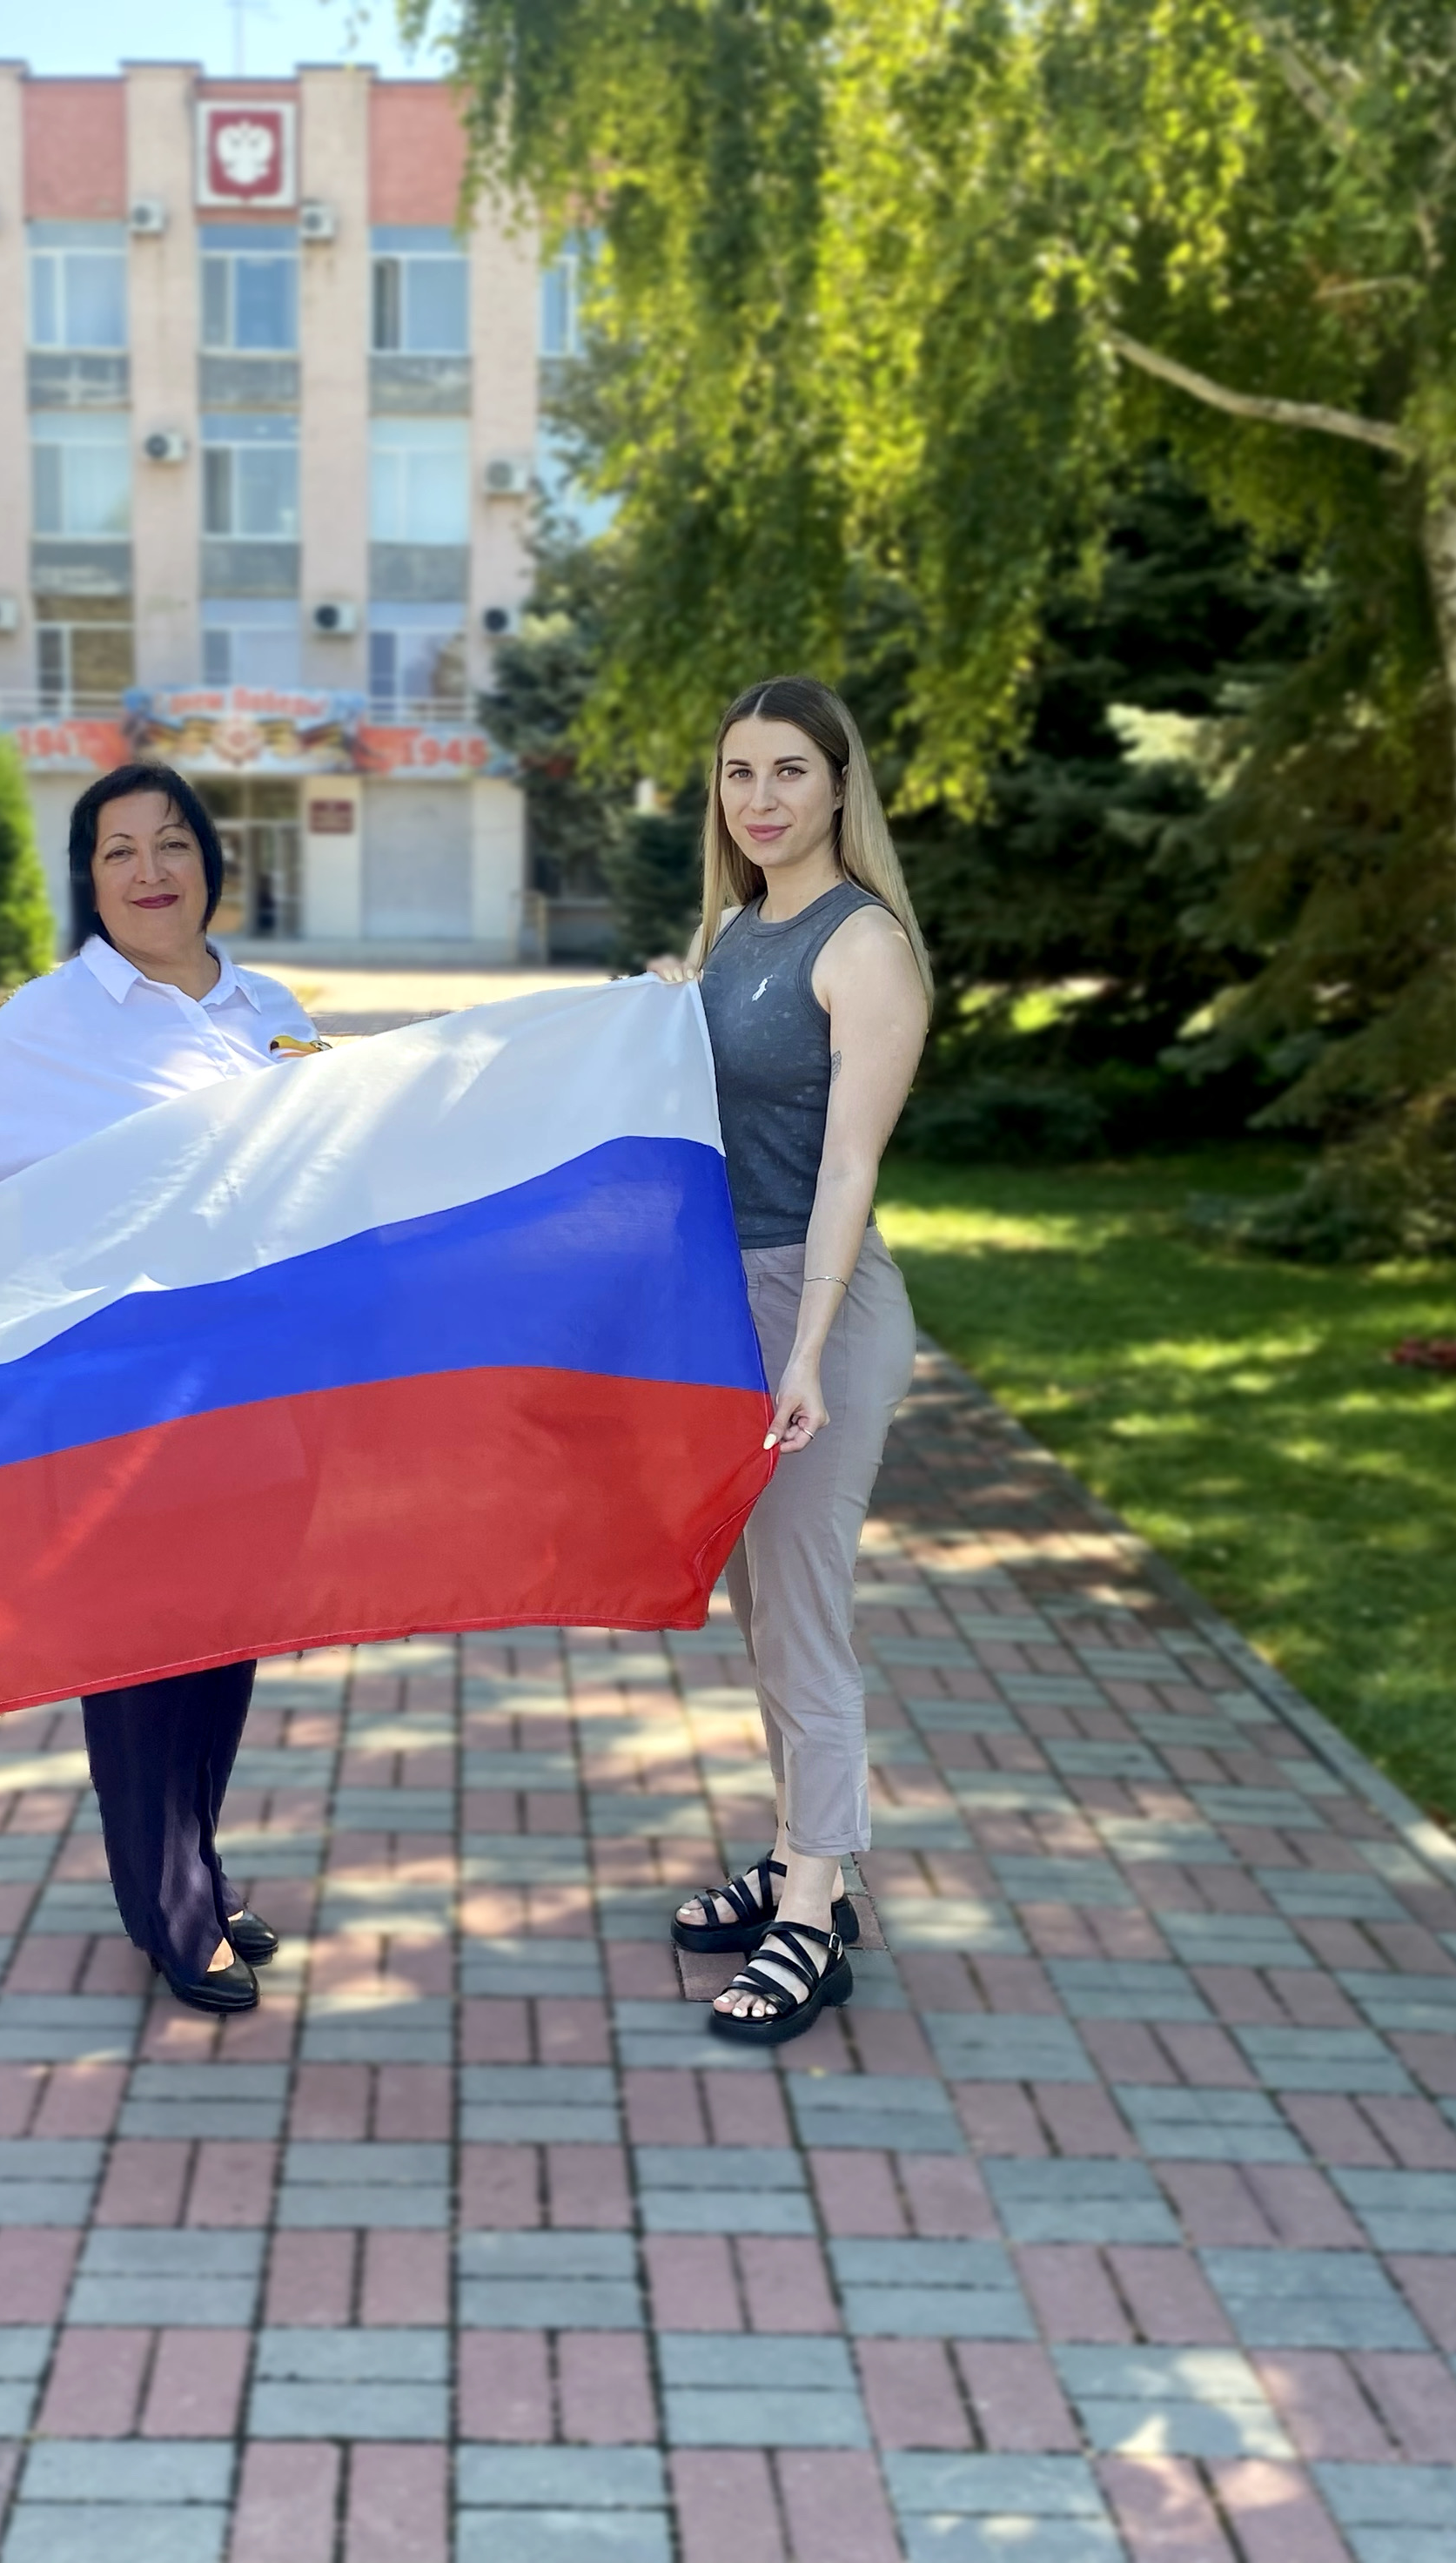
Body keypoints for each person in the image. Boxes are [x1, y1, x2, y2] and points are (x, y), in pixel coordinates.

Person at [0, 761, 319, 2014]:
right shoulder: (49, 1023)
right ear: (88, 879)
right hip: (118, 1394)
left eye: (171, 843)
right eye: (117, 851)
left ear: (211, 859)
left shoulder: (265, 1005)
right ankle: (170, 1915)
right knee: (141, 1653)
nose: (150, 871)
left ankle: (198, 1869)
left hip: (249, 1385)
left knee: (219, 1649)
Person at [651, 676, 930, 2046]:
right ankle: (797, 1853)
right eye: (737, 773)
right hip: (732, 1310)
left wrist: (803, 1354)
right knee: (763, 1619)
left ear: (836, 786)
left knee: (804, 1622)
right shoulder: (730, 934)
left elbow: (846, 1171)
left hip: (817, 1315)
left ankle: (813, 1917)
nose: (758, 799)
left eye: (787, 772)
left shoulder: (862, 946)